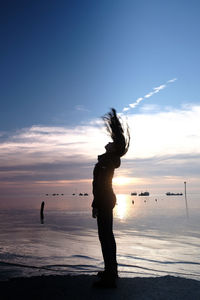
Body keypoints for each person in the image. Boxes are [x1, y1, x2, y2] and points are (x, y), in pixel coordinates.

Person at [92, 108, 130, 288]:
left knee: (105, 236)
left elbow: (102, 186)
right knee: (106, 236)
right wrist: (95, 204)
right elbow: (98, 185)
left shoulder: (108, 161)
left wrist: (98, 204)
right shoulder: (107, 160)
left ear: (114, 148)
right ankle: (110, 270)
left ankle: (110, 276)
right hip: (104, 200)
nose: (108, 142)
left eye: (111, 142)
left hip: (105, 200)